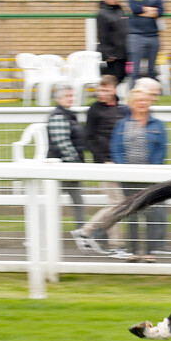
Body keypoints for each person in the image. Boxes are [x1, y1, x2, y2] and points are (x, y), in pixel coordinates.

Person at [110, 87, 171, 263]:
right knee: (132, 214)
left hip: (150, 177)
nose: (143, 103)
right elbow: (116, 148)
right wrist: (126, 170)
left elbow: (161, 150)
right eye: (138, 100)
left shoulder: (158, 125)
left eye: (145, 100)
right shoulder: (121, 125)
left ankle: (150, 251)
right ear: (131, 104)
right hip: (128, 178)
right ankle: (133, 251)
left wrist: (151, 171)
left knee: (151, 214)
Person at [70, 75, 127, 256]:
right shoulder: (94, 110)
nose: (101, 94)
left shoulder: (122, 109)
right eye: (99, 90)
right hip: (104, 163)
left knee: (119, 203)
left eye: (105, 90)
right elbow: (87, 139)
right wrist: (103, 158)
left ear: (114, 90)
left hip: (121, 163)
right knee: (118, 203)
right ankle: (109, 242)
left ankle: (93, 234)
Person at [47, 83, 86, 236]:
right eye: (68, 96)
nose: (72, 98)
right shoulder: (59, 115)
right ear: (59, 98)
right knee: (73, 201)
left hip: (68, 166)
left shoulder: (68, 114)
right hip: (62, 167)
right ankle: (81, 233)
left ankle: (82, 232)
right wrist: (75, 164)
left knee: (77, 201)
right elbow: (62, 143)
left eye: (72, 95)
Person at [126, 0, 164, 83]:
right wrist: (149, 10)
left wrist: (142, 11)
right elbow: (134, 9)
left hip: (153, 35)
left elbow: (160, 11)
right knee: (135, 71)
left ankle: (151, 95)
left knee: (152, 70)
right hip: (136, 36)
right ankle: (133, 94)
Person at [97, 0, 129, 85]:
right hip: (113, 54)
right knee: (114, 78)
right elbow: (102, 35)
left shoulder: (120, 10)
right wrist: (108, 54)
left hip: (123, 52)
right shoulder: (102, 13)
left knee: (123, 76)